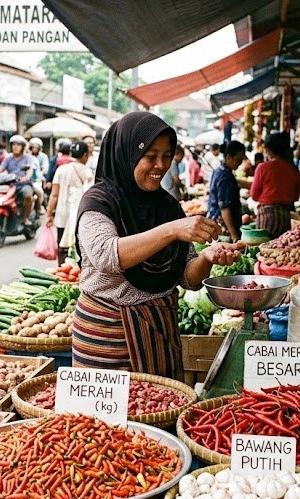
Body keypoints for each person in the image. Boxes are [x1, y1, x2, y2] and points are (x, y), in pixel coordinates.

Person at [71, 112, 241, 378]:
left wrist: (206, 258)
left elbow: (188, 278)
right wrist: (172, 230)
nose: (160, 165)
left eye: (166, 155)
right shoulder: (98, 203)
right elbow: (107, 256)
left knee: (159, 412)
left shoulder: (167, 206)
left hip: (159, 333)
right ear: (127, 154)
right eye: (150, 156)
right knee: (99, 420)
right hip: (107, 338)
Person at [46, 141, 94, 264]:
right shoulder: (87, 172)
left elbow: (54, 195)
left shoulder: (61, 170)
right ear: (85, 155)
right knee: (79, 249)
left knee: (62, 248)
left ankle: (62, 272)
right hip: (79, 216)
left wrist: (49, 214)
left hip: (62, 215)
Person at [250, 131, 300, 238]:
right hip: (286, 217)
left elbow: (254, 195)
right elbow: (296, 196)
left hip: (267, 217)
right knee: (283, 250)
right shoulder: (293, 169)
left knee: (264, 250)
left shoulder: (263, 167)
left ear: (268, 150)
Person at [0, 134, 39, 226]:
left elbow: (30, 171)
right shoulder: (8, 158)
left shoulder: (28, 158)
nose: (15, 147)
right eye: (13, 145)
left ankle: (25, 217)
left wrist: (26, 177)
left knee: (27, 195)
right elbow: (0, 169)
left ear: (22, 147)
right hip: (10, 185)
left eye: (18, 145)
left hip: (24, 184)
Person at [207, 141, 246, 241]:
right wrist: (234, 235)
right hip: (224, 226)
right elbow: (225, 208)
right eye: (238, 160)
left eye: (241, 160)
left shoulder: (219, 170)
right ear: (229, 157)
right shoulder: (225, 176)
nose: (240, 164)